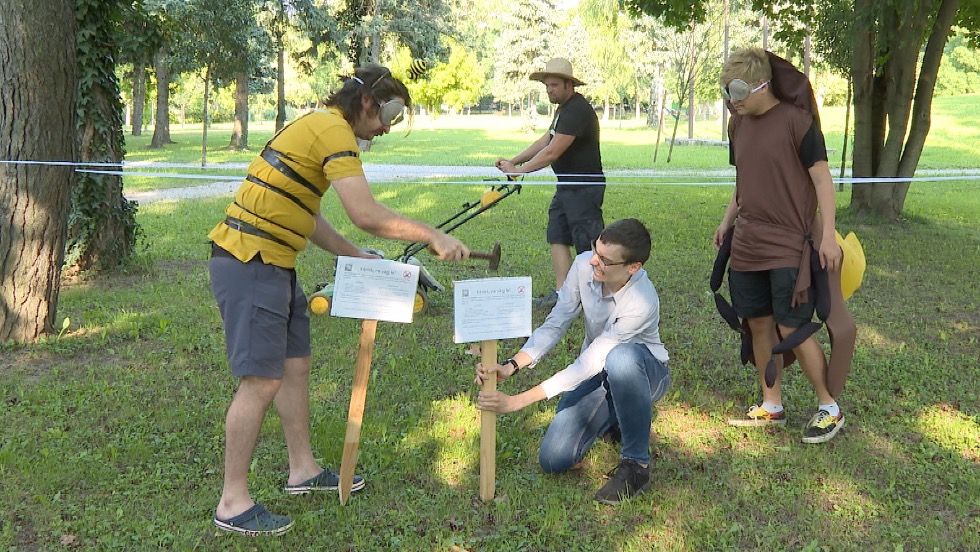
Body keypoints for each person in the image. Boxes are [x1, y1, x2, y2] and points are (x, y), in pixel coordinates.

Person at [207, 64, 470, 536]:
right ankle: (232, 500)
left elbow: (306, 215)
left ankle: (302, 470)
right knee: (260, 382)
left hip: (273, 262)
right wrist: (431, 234)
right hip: (250, 261)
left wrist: (353, 254)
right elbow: (365, 212)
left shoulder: (319, 128)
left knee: (294, 366)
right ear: (365, 102)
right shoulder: (333, 129)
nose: (387, 127)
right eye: (387, 113)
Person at [475, 218, 670, 505]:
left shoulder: (642, 300)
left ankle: (636, 466)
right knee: (554, 458)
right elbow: (557, 322)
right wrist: (511, 365)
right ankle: (618, 415)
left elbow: (589, 362)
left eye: (605, 260)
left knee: (622, 357)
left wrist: (519, 400)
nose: (594, 261)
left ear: (633, 268)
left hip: (644, 373)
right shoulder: (583, 266)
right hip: (602, 372)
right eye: (595, 250)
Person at [713, 48, 846, 444]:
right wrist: (726, 223)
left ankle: (829, 407)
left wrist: (827, 236)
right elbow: (745, 181)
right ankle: (772, 404)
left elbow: (822, 180)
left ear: (762, 84)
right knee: (756, 322)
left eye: (738, 90)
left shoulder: (797, 122)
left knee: (793, 325)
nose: (732, 99)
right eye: (726, 91)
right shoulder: (738, 126)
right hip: (749, 242)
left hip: (790, 241)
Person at [495, 58, 606, 310]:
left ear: (569, 84)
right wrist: (513, 162)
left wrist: (520, 171)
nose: (549, 90)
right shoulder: (563, 110)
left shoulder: (578, 109)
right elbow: (545, 141)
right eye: (547, 86)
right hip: (566, 185)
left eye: (554, 85)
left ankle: (596, 299)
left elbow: (552, 152)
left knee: (589, 245)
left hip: (584, 187)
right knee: (557, 235)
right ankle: (564, 296)